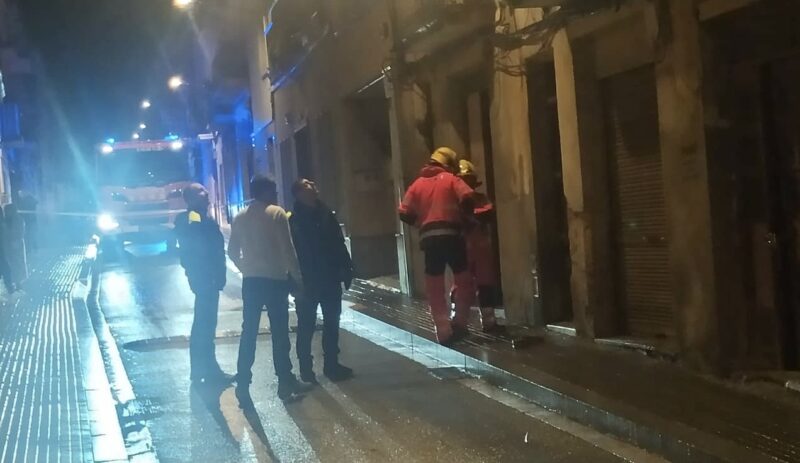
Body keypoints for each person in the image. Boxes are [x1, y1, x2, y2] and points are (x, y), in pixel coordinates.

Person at [229, 175, 311, 405]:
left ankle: (243, 383)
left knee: (249, 332)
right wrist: (298, 278)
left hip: (252, 281)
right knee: (279, 332)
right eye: (273, 191)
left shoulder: (240, 216)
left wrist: (246, 268)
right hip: (275, 279)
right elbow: (288, 249)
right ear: (266, 192)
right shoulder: (277, 213)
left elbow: (232, 251)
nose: (276, 195)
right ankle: (285, 383)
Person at [398, 147, 475, 345]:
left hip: (430, 241)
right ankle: (460, 323)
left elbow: (404, 212)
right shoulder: (451, 179)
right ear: (448, 164)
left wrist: (421, 223)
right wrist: (466, 219)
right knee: (463, 280)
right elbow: (467, 197)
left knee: (434, 286)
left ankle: (443, 332)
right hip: (453, 236)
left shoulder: (417, 184)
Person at [290, 179, 354, 384]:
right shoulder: (293, 220)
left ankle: (332, 364)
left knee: (332, 321)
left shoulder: (326, 214)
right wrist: (293, 280)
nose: (314, 186)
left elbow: (338, 243)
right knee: (306, 325)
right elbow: (290, 252)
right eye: (308, 185)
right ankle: (306, 368)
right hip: (307, 280)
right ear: (299, 193)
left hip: (329, 277)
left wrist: (346, 268)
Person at [174, 184, 232, 385]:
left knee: (206, 323)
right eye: (200, 192)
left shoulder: (200, 217)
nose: (206, 194)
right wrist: (205, 274)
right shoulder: (193, 218)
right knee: (204, 324)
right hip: (204, 278)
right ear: (190, 198)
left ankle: (205, 368)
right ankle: (204, 369)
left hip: (209, 277)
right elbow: (197, 244)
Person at [454, 160, 500, 332]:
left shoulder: (481, 199)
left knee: (486, 284)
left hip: (480, 248)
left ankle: (489, 322)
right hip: (464, 247)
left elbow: (488, 213)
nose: (466, 184)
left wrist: (471, 215)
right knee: (461, 286)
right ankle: (457, 322)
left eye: (469, 179)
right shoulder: (455, 202)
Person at [4, 204, 27, 287]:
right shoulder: (6, 220)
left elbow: (20, 232)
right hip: (9, 246)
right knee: (11, 264)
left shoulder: (18, 220)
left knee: (18, 263)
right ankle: (14, 281)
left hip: (16, 245)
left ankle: (18, 282)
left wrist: (13, 238)